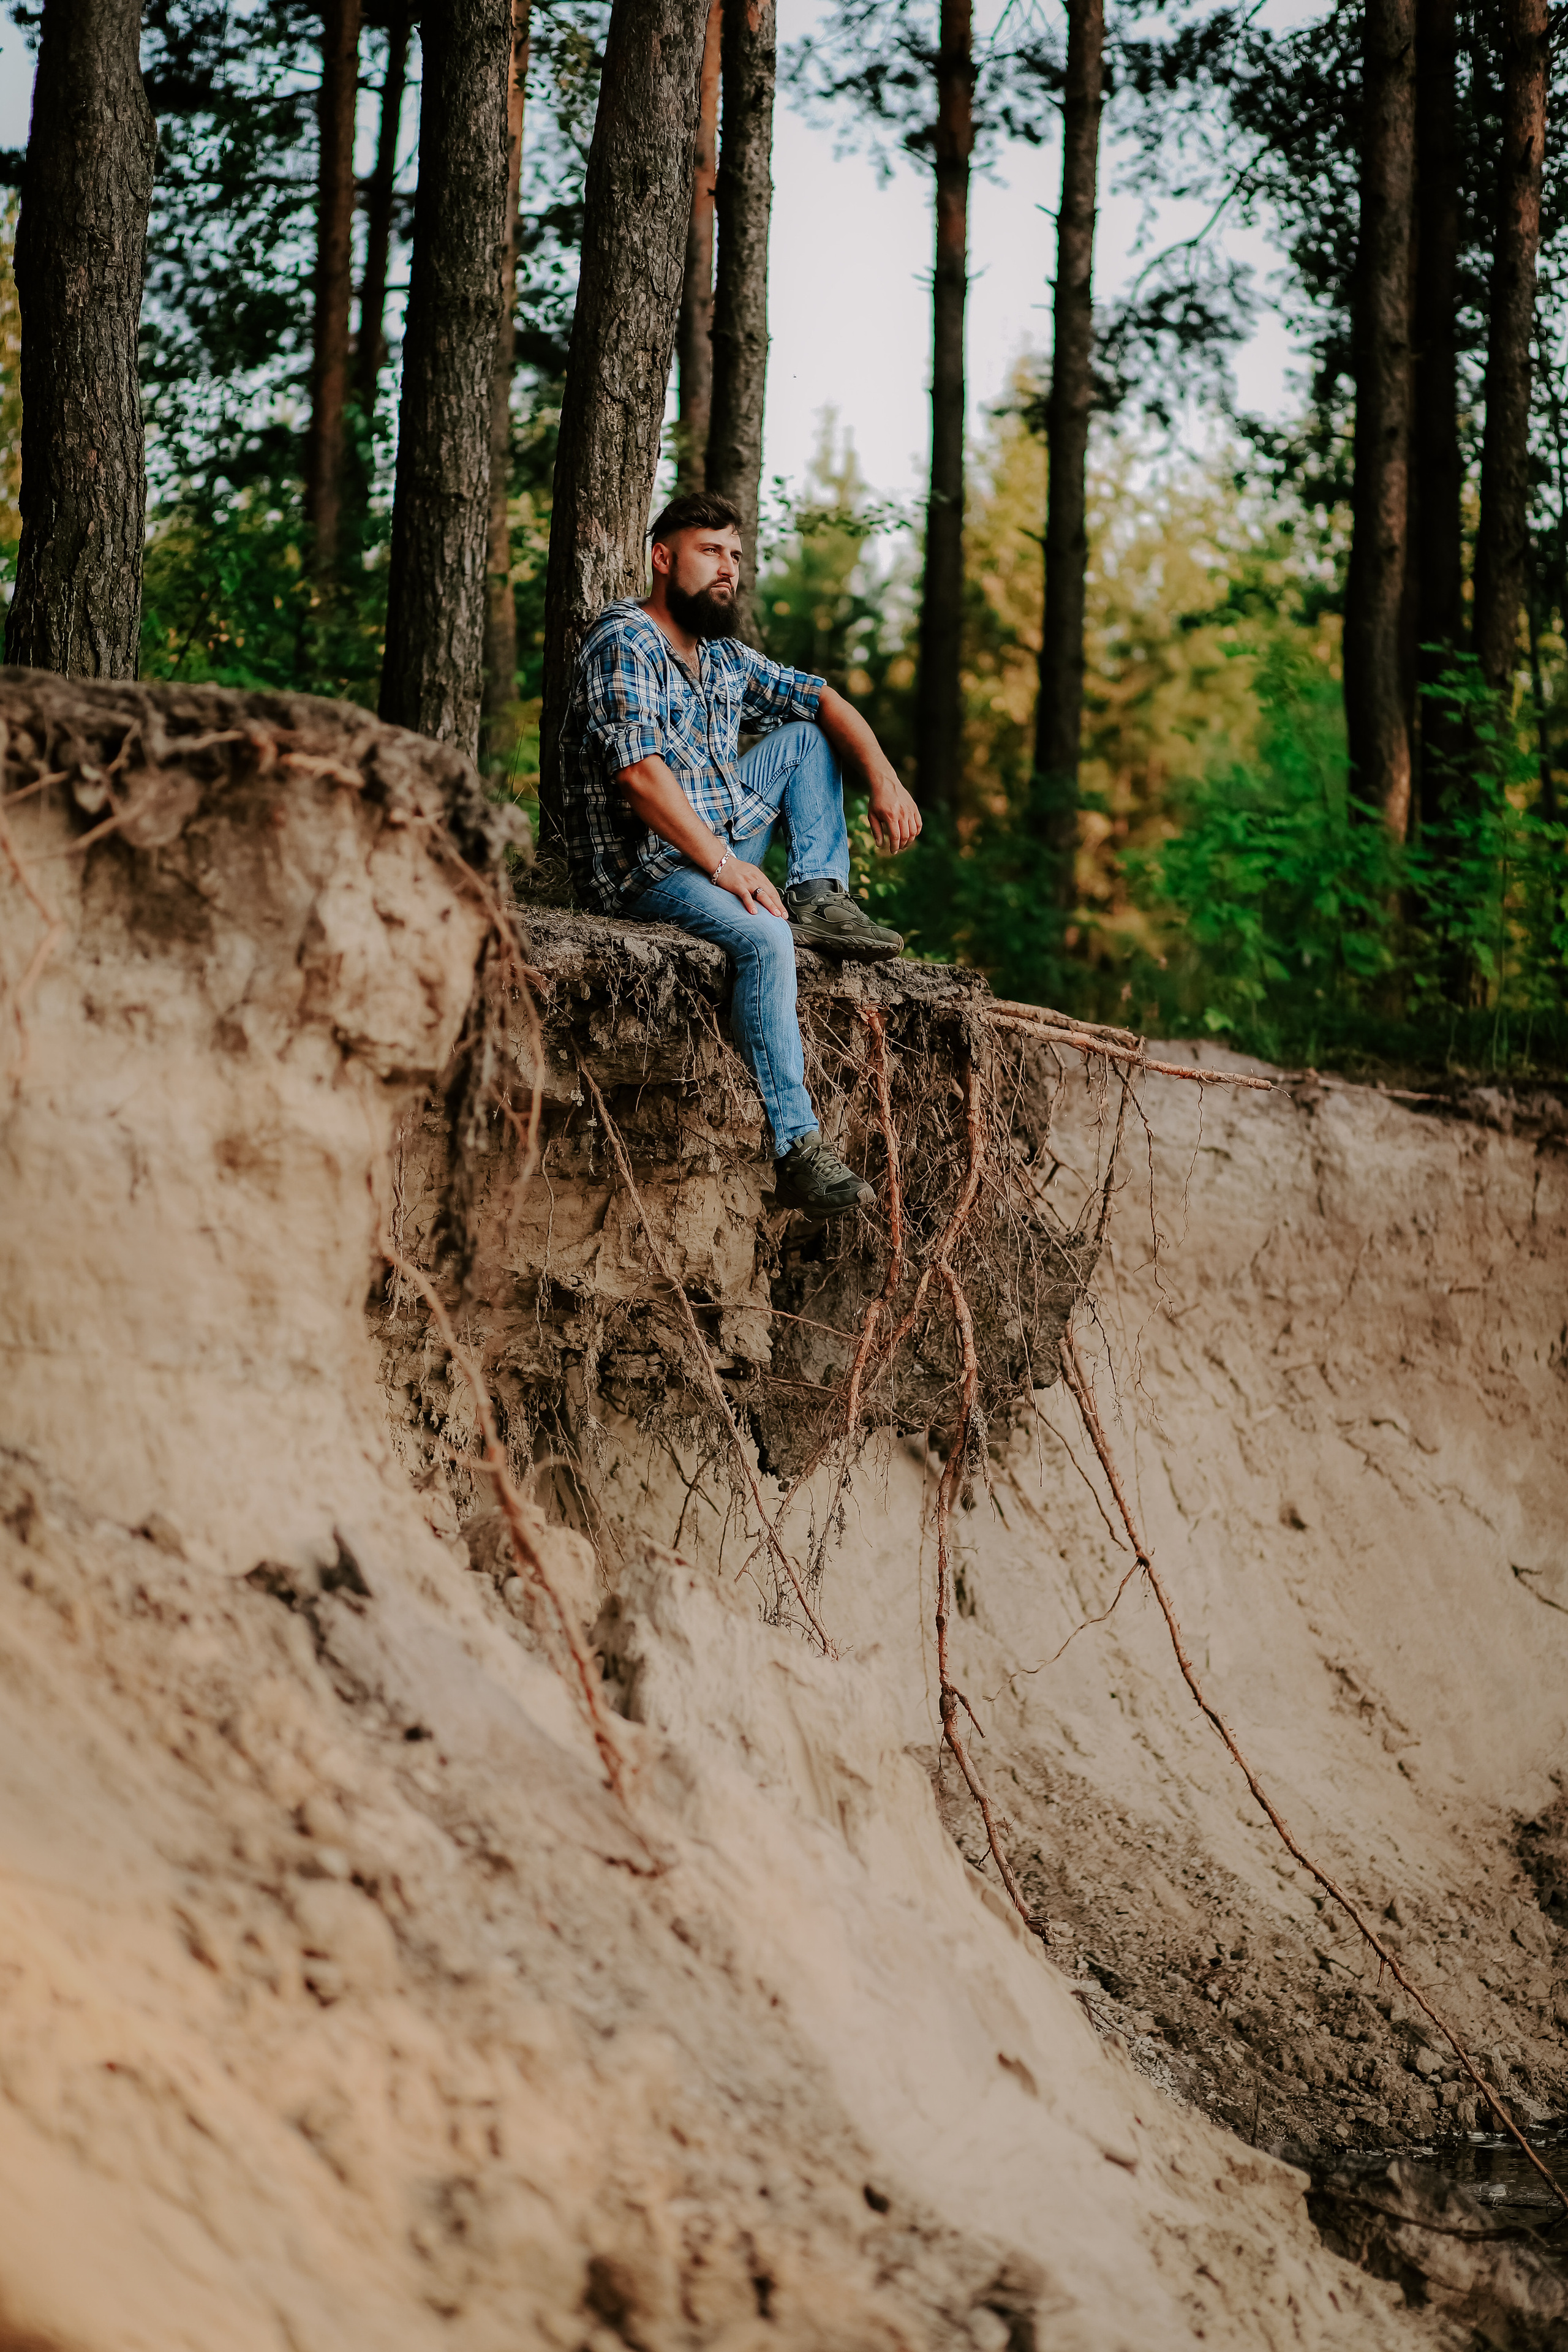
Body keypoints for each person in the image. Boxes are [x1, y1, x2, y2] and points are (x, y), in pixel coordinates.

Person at [559, 489, 924, 1218]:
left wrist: (884, 778)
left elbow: (821, 698)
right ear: (663, 559)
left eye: (734, 554)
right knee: (764, 937)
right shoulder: (623, 640)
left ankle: (819, 894)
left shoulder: (722, 658)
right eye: (709, 551)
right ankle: (796, 1148)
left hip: (714, 845)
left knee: (806, 735)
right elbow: (639, 777)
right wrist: (728, 868)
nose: (727, 568)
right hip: (644, 868)